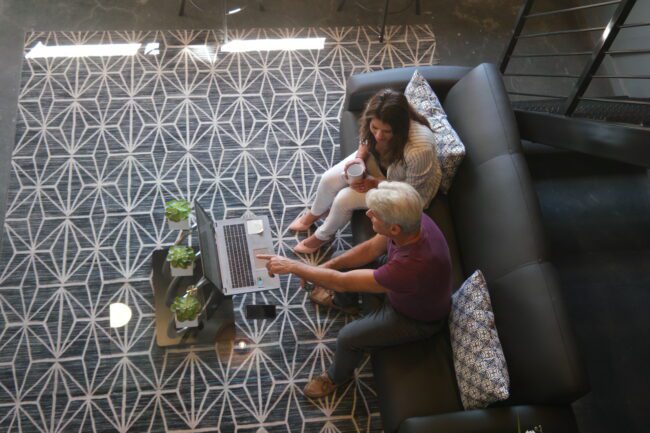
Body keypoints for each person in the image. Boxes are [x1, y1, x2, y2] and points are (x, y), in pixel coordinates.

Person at [258, 182, 452, 398]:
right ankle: (344, 303)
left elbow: (342, 282)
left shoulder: (411, 266)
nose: (368, 213)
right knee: (339, 261)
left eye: (375, 214)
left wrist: (294, 267)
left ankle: (335, 378)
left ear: (394, 228)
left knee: (348, 338)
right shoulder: (415, 221)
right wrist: (325, 267)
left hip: (416, 318)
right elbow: (371, 249)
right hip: (404, 288)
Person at [289, 88, 442, 254]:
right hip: (383, 168)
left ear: (400, 128)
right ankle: (314, 214)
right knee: (328, 179)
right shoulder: (377, 114)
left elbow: (411, 194)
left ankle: (322, 237)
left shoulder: (419, 150)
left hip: (406, 192)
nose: (378, 136)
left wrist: (375, 184)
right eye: (375, 128)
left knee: (343, 199)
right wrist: (359, 159)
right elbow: (366, 139)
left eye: (386, 132)